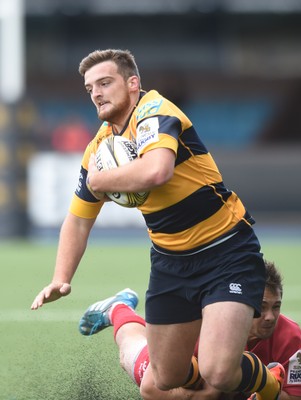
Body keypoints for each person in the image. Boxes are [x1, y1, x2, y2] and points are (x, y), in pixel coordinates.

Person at [31, 49, 284, 399]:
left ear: (133, 83)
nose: (96, 93)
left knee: (219, 371)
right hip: (171, 263)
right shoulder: (100, 148)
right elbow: (77, 220)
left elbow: (157, 170)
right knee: (166, 378)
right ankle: (121, 311)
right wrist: (61, 278)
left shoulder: (155, 110)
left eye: (105, 82)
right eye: (90, 88)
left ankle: (271, 384)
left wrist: (104, 182)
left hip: (226, 251)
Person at [78, 260, 301, 400]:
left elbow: (294, 398)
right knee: (135, 353)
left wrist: (266, 391)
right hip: (187, 379)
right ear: (245, 304)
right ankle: (118, 309)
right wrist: (203, 397)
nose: (270, 317)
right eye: (262, 306)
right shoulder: (204, 328)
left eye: (276, 307)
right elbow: (150, 390)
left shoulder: (291, 336)